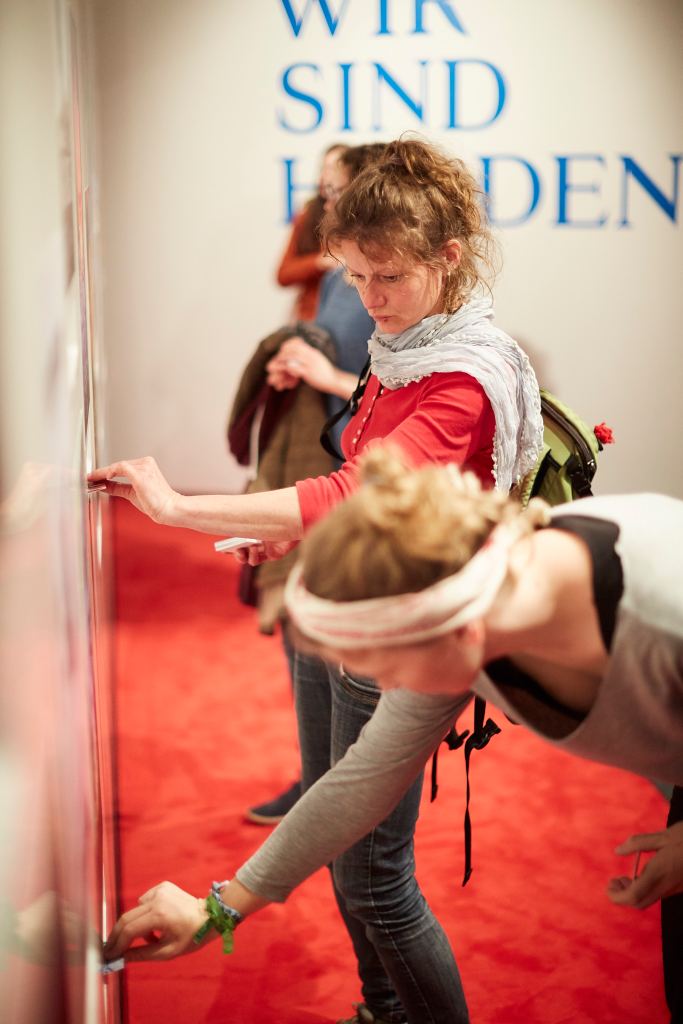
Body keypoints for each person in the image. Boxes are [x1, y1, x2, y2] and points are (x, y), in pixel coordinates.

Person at [93, 138, 543, 1024]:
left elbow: (352, 492)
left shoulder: (463, 373)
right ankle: (381, 1010)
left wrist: (178, 508)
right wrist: (292, 539)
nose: (369, 299)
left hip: (404, 638)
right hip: (356, 610)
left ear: (448, 257)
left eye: (388, 276)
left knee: (374, 874)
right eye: (356, 277)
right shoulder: (406, 342)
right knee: (348, 850)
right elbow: (358, 478)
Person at [232, 143, 383, 824]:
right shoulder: (340, 275)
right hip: (327, 461)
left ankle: (343, 797)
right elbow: (336, 354)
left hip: (365, 483)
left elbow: (403, 397)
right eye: (322, 191)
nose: (324, 203)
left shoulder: (390, 285)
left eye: (335, 190)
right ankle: (316, 784)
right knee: (304, 634)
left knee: (342, 649)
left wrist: (326, 375)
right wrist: (299, 364)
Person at [275, 143, 347, 322]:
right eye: (325, 168)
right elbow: (283, 274)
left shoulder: (363, 217)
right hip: (312, 320)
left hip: (349, 318)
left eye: (336, 168)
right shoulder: (308, 216)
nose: (327, 176)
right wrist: (319, 262)